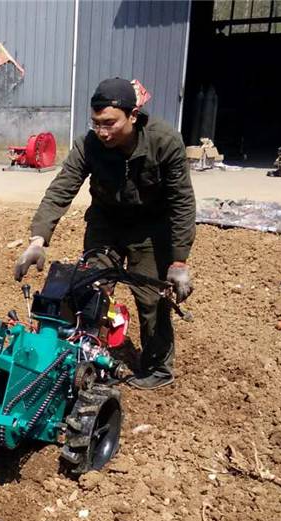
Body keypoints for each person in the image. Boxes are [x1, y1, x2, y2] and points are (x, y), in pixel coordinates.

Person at [14, 77, 195, 390]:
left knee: (151, 299)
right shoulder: (90, 144)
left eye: (109, 123)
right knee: (88, 288)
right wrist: (37, 239)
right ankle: (80, 358)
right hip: (106, 223)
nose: (102, 131)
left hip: (151, 229)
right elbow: (62, 188)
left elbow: (182, 201)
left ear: (133, 116)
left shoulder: (164, 142)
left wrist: (178, 261)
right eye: (96, 123)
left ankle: (158, 369)